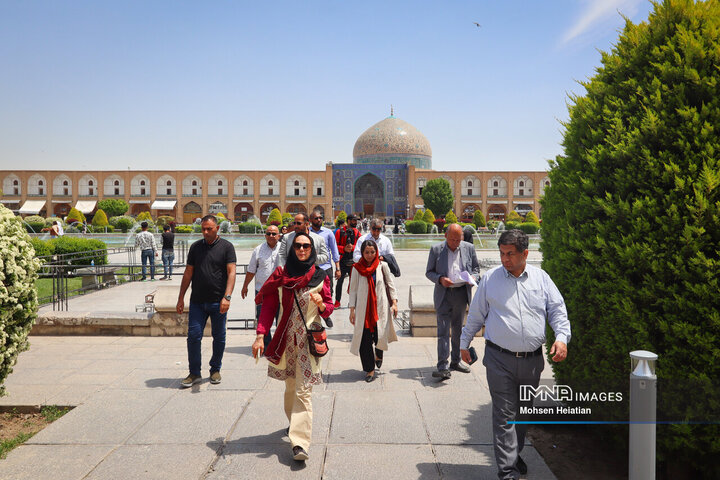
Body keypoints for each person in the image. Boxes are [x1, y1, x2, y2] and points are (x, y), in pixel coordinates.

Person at [460, 229, 570, 480]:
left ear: (525, 254)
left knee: (523, 413)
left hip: (532, 362)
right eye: (501, 253)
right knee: (504, 415)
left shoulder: (541, 279)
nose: (505, 259)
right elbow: (476, 314)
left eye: (510, 254)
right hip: (499, 359)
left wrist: (562, 338)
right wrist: (464, 343)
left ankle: (513, 452)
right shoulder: (490, 280)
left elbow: (557, 310)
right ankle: (507, 471)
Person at [252, 232, 334, 462]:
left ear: (312, 249)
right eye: (297, 246)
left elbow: (329, 307)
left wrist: (322, 305)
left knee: (303, 390)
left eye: (306, 246)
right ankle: (293, 423)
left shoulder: (319, 276)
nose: (301, 250)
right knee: (290, 387)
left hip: (309, 342)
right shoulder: (281, 275)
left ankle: (300, 443)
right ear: (291, 248)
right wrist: (260, 335)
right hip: (286, 341)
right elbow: (268, 306)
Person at [176, 215, 237, 388]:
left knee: (219, 337)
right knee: (193, 336)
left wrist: (227, 296)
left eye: (209, 229)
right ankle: (194, 372)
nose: (205, 232)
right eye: (203, 229)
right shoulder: (195, 247)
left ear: (217, 229)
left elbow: (231, 272)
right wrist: (181, 298)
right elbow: (188, 273)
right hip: (197, 302)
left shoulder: (227, 247)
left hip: (218, 301)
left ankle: (215, 369)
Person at [425, 223, 480, 380]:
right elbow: (429, 272)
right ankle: (442, 365)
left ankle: (455, 361)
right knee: (443, 330)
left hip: (461, 293)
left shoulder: (468, 248)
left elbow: (476, 269)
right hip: (444, 293)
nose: (456, 243)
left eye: (459, 239)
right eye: (453, 240)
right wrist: (440, 279)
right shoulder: (436, 250)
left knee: (458, 330)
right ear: (445, 237)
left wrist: (473, 278)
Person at [348, 239, 398, 382]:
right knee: (364, 340)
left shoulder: (382, 266)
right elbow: (353, 290)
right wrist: (352, 310)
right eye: (366, 252)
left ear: (376, 252)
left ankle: (379, 352)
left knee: (379, 335)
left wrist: (394, 303)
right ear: (362, 253)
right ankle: (369, 370)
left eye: (372, 252)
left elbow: (390, 284)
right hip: (363, 310)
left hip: (380, 308)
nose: (369, 255)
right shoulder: (357, 268)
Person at [241, 224, 281, 348]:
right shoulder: (258, 250)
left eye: (274, 233)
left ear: (279, 236)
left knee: (281, 318)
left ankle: (279, 345)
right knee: (262, 318)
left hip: (280, 291)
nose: (271, 236)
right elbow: (251, 270)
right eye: (268, 233)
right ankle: (266, 344)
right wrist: (245, 285)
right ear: (265, 235)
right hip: (262, 291)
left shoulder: (284, 249)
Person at [309, 210, 340, 326]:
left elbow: (334, 250)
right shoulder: (307, 233)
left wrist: (338, 268)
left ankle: (326, 315)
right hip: (312, 268)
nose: (319, 220)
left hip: (326, 267)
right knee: (312, 291)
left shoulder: (328, 233)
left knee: (328, 291)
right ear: (311, 220)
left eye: (320, 218)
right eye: (316, 218)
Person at [334, 214, 360, 307]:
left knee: (353, 282)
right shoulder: (339, 232)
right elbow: (335, 246)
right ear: (348, 221)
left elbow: (360, 246)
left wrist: (352, 248)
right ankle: (337, 301)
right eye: (354, 220)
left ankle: (352, 302)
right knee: (339, 282)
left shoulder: (357, 232)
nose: (355, 222)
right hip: (342, 260)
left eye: (356, 220)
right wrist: (343, 249)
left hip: (353, 261)